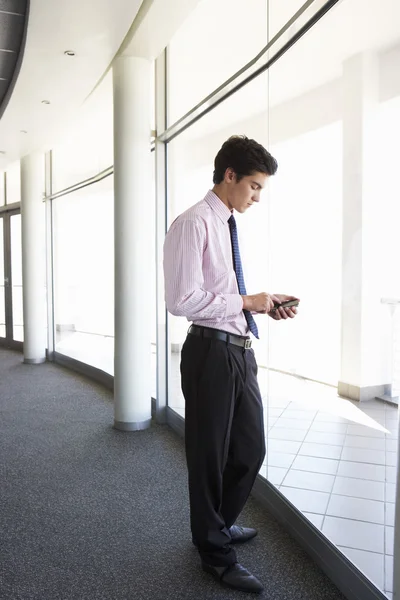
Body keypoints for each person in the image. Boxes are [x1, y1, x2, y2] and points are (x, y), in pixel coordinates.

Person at [163, 135, 299, 594]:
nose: (257, 197)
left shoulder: (225, 224)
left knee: (249, 449)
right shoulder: (193, 223)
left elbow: (221, 293)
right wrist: (246, 300)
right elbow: (181, 300)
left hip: (239, 351)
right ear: (229, 176)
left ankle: (216, 525)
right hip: (209, 354)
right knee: (209, 455)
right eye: (255, 187)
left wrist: (261, 305)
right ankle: (214, 553)